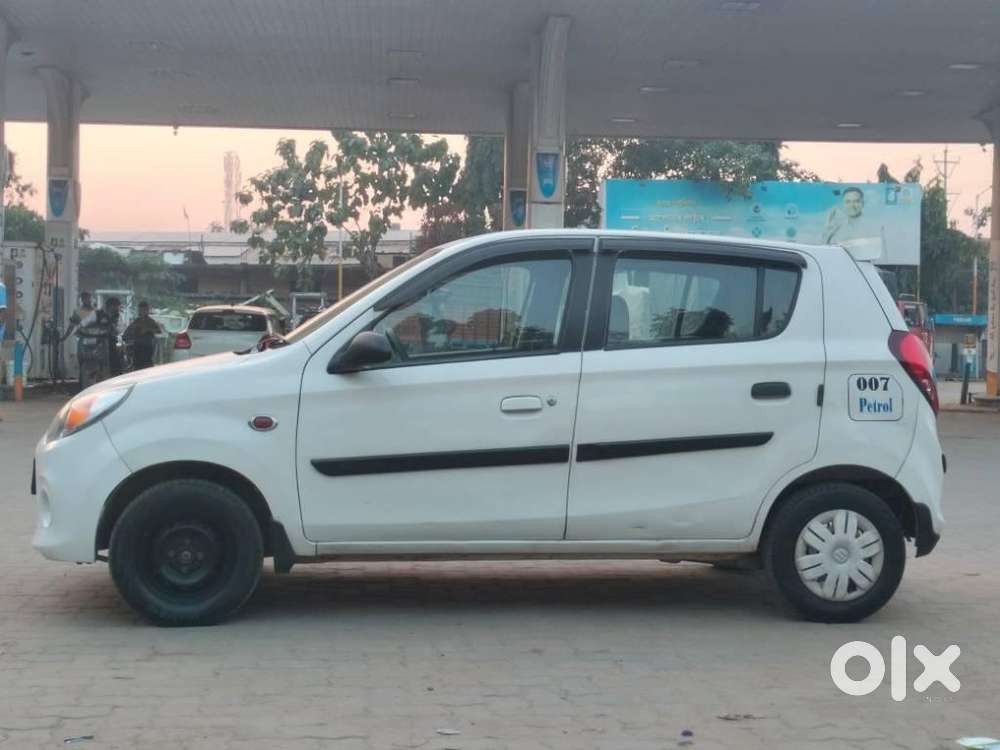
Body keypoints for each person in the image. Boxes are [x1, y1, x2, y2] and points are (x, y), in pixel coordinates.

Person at [123, 301, 162, 370]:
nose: (143, 312)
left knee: (147, 366)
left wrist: (148, 329)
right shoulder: (136, 321)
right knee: (137, 366)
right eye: (141, 310)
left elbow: (158, 331)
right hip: (137, 347)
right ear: (139, 310)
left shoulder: (151, 321)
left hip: (147, 347)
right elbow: (127, 333)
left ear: (147, 310)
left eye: (145, 310)